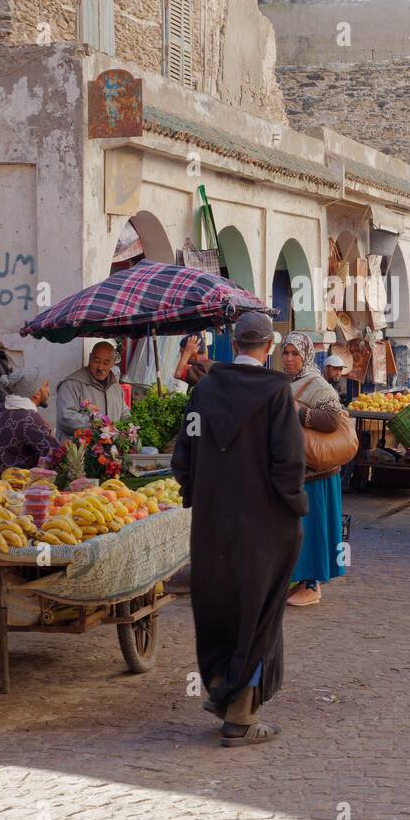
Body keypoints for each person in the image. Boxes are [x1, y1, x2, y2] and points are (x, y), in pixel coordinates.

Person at [171, 310, 307, 746]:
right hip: (263, 523)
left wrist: (199, 496)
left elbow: (184, 454)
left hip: (212, 522)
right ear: (268, 348)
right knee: (260, 612)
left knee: (219, 607)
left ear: (233, 343)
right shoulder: (277, 395)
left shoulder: (205, 391)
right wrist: (293, 508)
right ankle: (240, 717)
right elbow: (288, 462)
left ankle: (223, 693)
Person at [281, 331, 345, 608]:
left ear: (306, 355)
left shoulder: (317, 384)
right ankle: (301, 579)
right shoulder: (290, 382)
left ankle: (313, 585)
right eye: (285, 353)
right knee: (297, 528)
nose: (289, 358)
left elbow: (332, 419)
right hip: (298, 469)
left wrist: (298, 412)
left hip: (317, 473)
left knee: (313, 527)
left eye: (295, 353)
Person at [0, 369, 58, 481]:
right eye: (46, 385)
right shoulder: (29, 418)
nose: (48, 390)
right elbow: (55, 453)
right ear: (36, 393)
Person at [56, 341, 130, 439]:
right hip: (80, 451)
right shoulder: (72, 384)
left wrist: (128, 428)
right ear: (90, 358)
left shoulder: (116, 388)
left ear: (113, 363)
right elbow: (66, 417)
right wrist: (98, 426)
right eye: (96, 361)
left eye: (106, 363)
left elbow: (125, 414)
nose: (100, 367)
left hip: (111, 450)